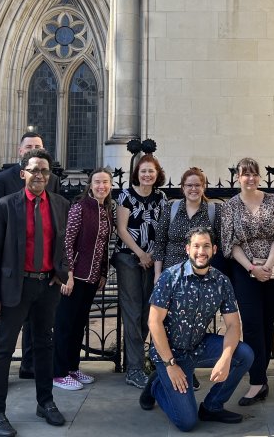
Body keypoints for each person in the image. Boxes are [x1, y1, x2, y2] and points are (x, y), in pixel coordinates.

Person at [0, 148, 69, 437]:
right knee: (2, 351)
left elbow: (64, 245)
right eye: (34, 170)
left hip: (46, 286)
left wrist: (61, 272)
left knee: (44, 347)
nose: (39, 175)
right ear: (23, 174)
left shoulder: (59, 204)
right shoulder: (6, 206)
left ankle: (45, 402)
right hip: (12, 288)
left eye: (44, 171)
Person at [139, 227, 254, 432]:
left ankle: (212, 406)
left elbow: (233, 325)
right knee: (187, 422)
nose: (201, 251)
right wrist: (170, 365)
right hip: (169, 353)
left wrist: (226, 359)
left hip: (198, 345)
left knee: (243, 354)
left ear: (214, 250)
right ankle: (157, 385)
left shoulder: (221, 281)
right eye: (196, 246)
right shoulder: (170, 277)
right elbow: (154, 323)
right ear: (187, 249)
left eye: (206, 246)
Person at [0, 131, 61, 380]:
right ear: (20, 151)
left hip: (41, 273)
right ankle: (0, 374)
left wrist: (61, 270)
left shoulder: (53, 181)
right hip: (12, 271)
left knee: (38, 331)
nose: (32, 149)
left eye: (37, 146)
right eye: (28, 146)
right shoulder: (4, 180)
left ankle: (30, 366)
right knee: (4, 333)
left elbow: (59, 228)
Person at [220, 156, 274, 405]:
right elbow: (229, 243)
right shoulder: (230, 207)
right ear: (238, 177)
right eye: (245, 174)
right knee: (251, 324)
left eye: (254, 173)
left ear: (259, 176)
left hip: (273, 269)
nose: (250, 178)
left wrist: (267, 266)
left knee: (268, 324)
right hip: (244, 269)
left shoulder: (273, 201)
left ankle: (262, 376)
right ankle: (256, 381)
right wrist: (252, 268)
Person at [52, 168, 115, 390]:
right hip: (75, 277)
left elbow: (104, 246)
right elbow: (67, 241)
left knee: (79, 325)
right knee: (65, 325)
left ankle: (72, 367)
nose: (101, 186)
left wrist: (104, 273)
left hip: (92, 277)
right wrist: (67, 275)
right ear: (90, 184)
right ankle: (58, 372)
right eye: (97, 182)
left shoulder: (106, 210)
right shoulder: (80, 208)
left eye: (105, 182)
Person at [113, 153, 168, 388]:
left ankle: (140, 359)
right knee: (132, 311)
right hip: (129, 258)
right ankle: (133, 368)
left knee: (149, 312)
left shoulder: (161, 197)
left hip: (152, 261)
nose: (147, 175)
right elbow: (121, 229)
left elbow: (162, 230)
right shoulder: (126, 195)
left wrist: (152, 256)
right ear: (137, 173)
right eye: (143, 171)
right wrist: (140, 253)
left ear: (157, 175)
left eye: (151, 171)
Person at [153, 166, 222, 281]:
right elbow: (160, 243)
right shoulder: (171, 209)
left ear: (203, 187)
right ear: (183, 187)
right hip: (172, 274)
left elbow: (220, 246)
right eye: (189, 185)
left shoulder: (214, 211)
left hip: (203, 274)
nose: (193, 189)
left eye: (197, 185)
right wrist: (157, 274)